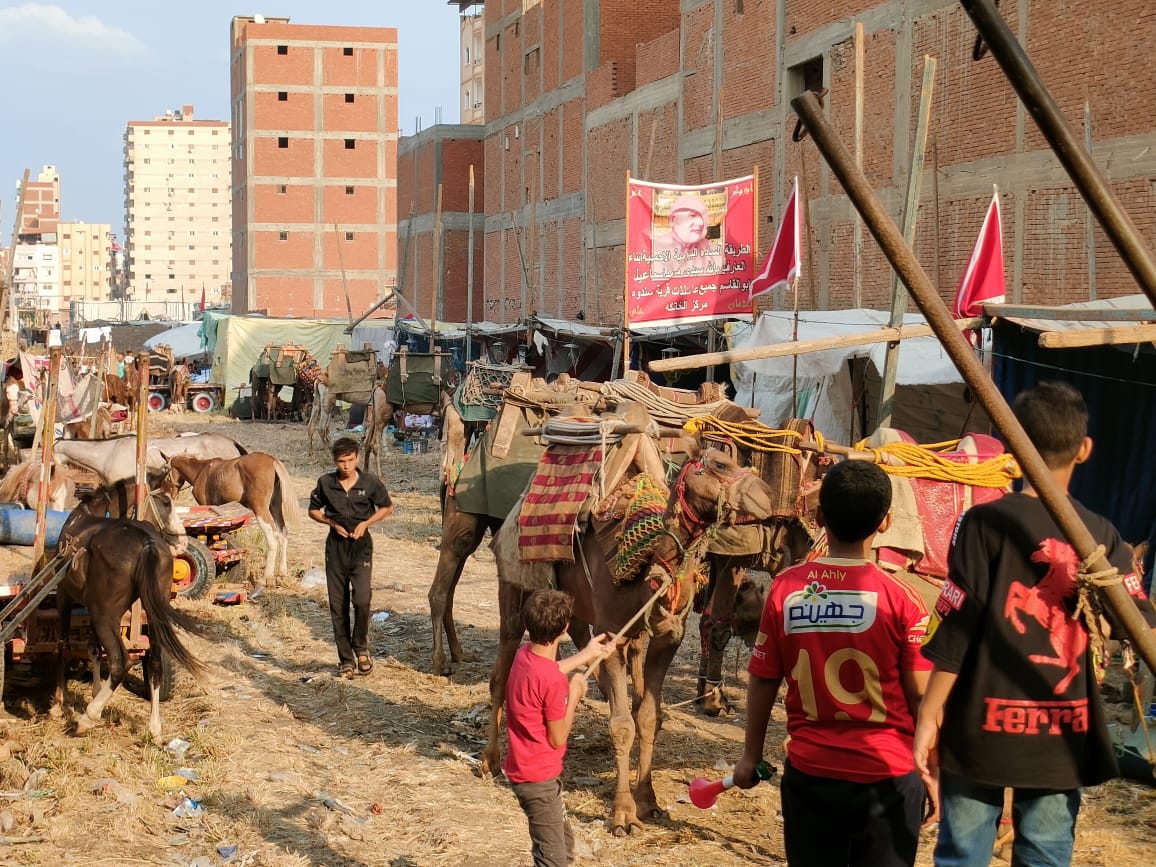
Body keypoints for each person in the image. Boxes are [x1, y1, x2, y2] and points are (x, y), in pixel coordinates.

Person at [914, 381, 1156, 866]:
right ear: (1084, 450)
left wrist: (928, 715)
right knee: (1046, 856)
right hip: (1060, 735)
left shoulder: (984, 523)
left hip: (980, 727)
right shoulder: (1102, 534)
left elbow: (959, 627)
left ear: (1011, 448)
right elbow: (1138, 622)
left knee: (962, 855)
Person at [734, 459, 933, 867]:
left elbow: (763, 678)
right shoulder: (905, 600)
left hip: (811, 776)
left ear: (819, 516)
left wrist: (750, 756)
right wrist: (934, 767)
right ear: (886, 522)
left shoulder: (785, 589)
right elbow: (920, 696)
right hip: (888, 778)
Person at [505, 590, 615, 867]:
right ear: (566, 628)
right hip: (538, 781)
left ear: (528, 625)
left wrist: (588, 653)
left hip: (528, 773)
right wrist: (574, 696)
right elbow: (558, 737)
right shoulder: (554, 683)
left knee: (563, 848)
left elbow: (549, 669)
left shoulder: (524, 654)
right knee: (553, 860)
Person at [307, 436, 393, 678]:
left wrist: (366, 523)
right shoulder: (326, 483)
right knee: (338, 605)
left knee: (363, 599)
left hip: (361, 548)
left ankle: (361, 648)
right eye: (341, 462)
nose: (346, 466)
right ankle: (346, 659)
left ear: (357, 458)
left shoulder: (370, 482)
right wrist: (331, 523)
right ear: (335, 461)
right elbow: (313, 510)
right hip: (335, 549)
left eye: (350, 460)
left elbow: (387, 507)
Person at [650, 193, 726, 277]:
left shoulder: (715, 252)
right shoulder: (654, 250)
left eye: (703, 217)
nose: (700, 223)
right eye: (692, 216)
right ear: (673, 220)